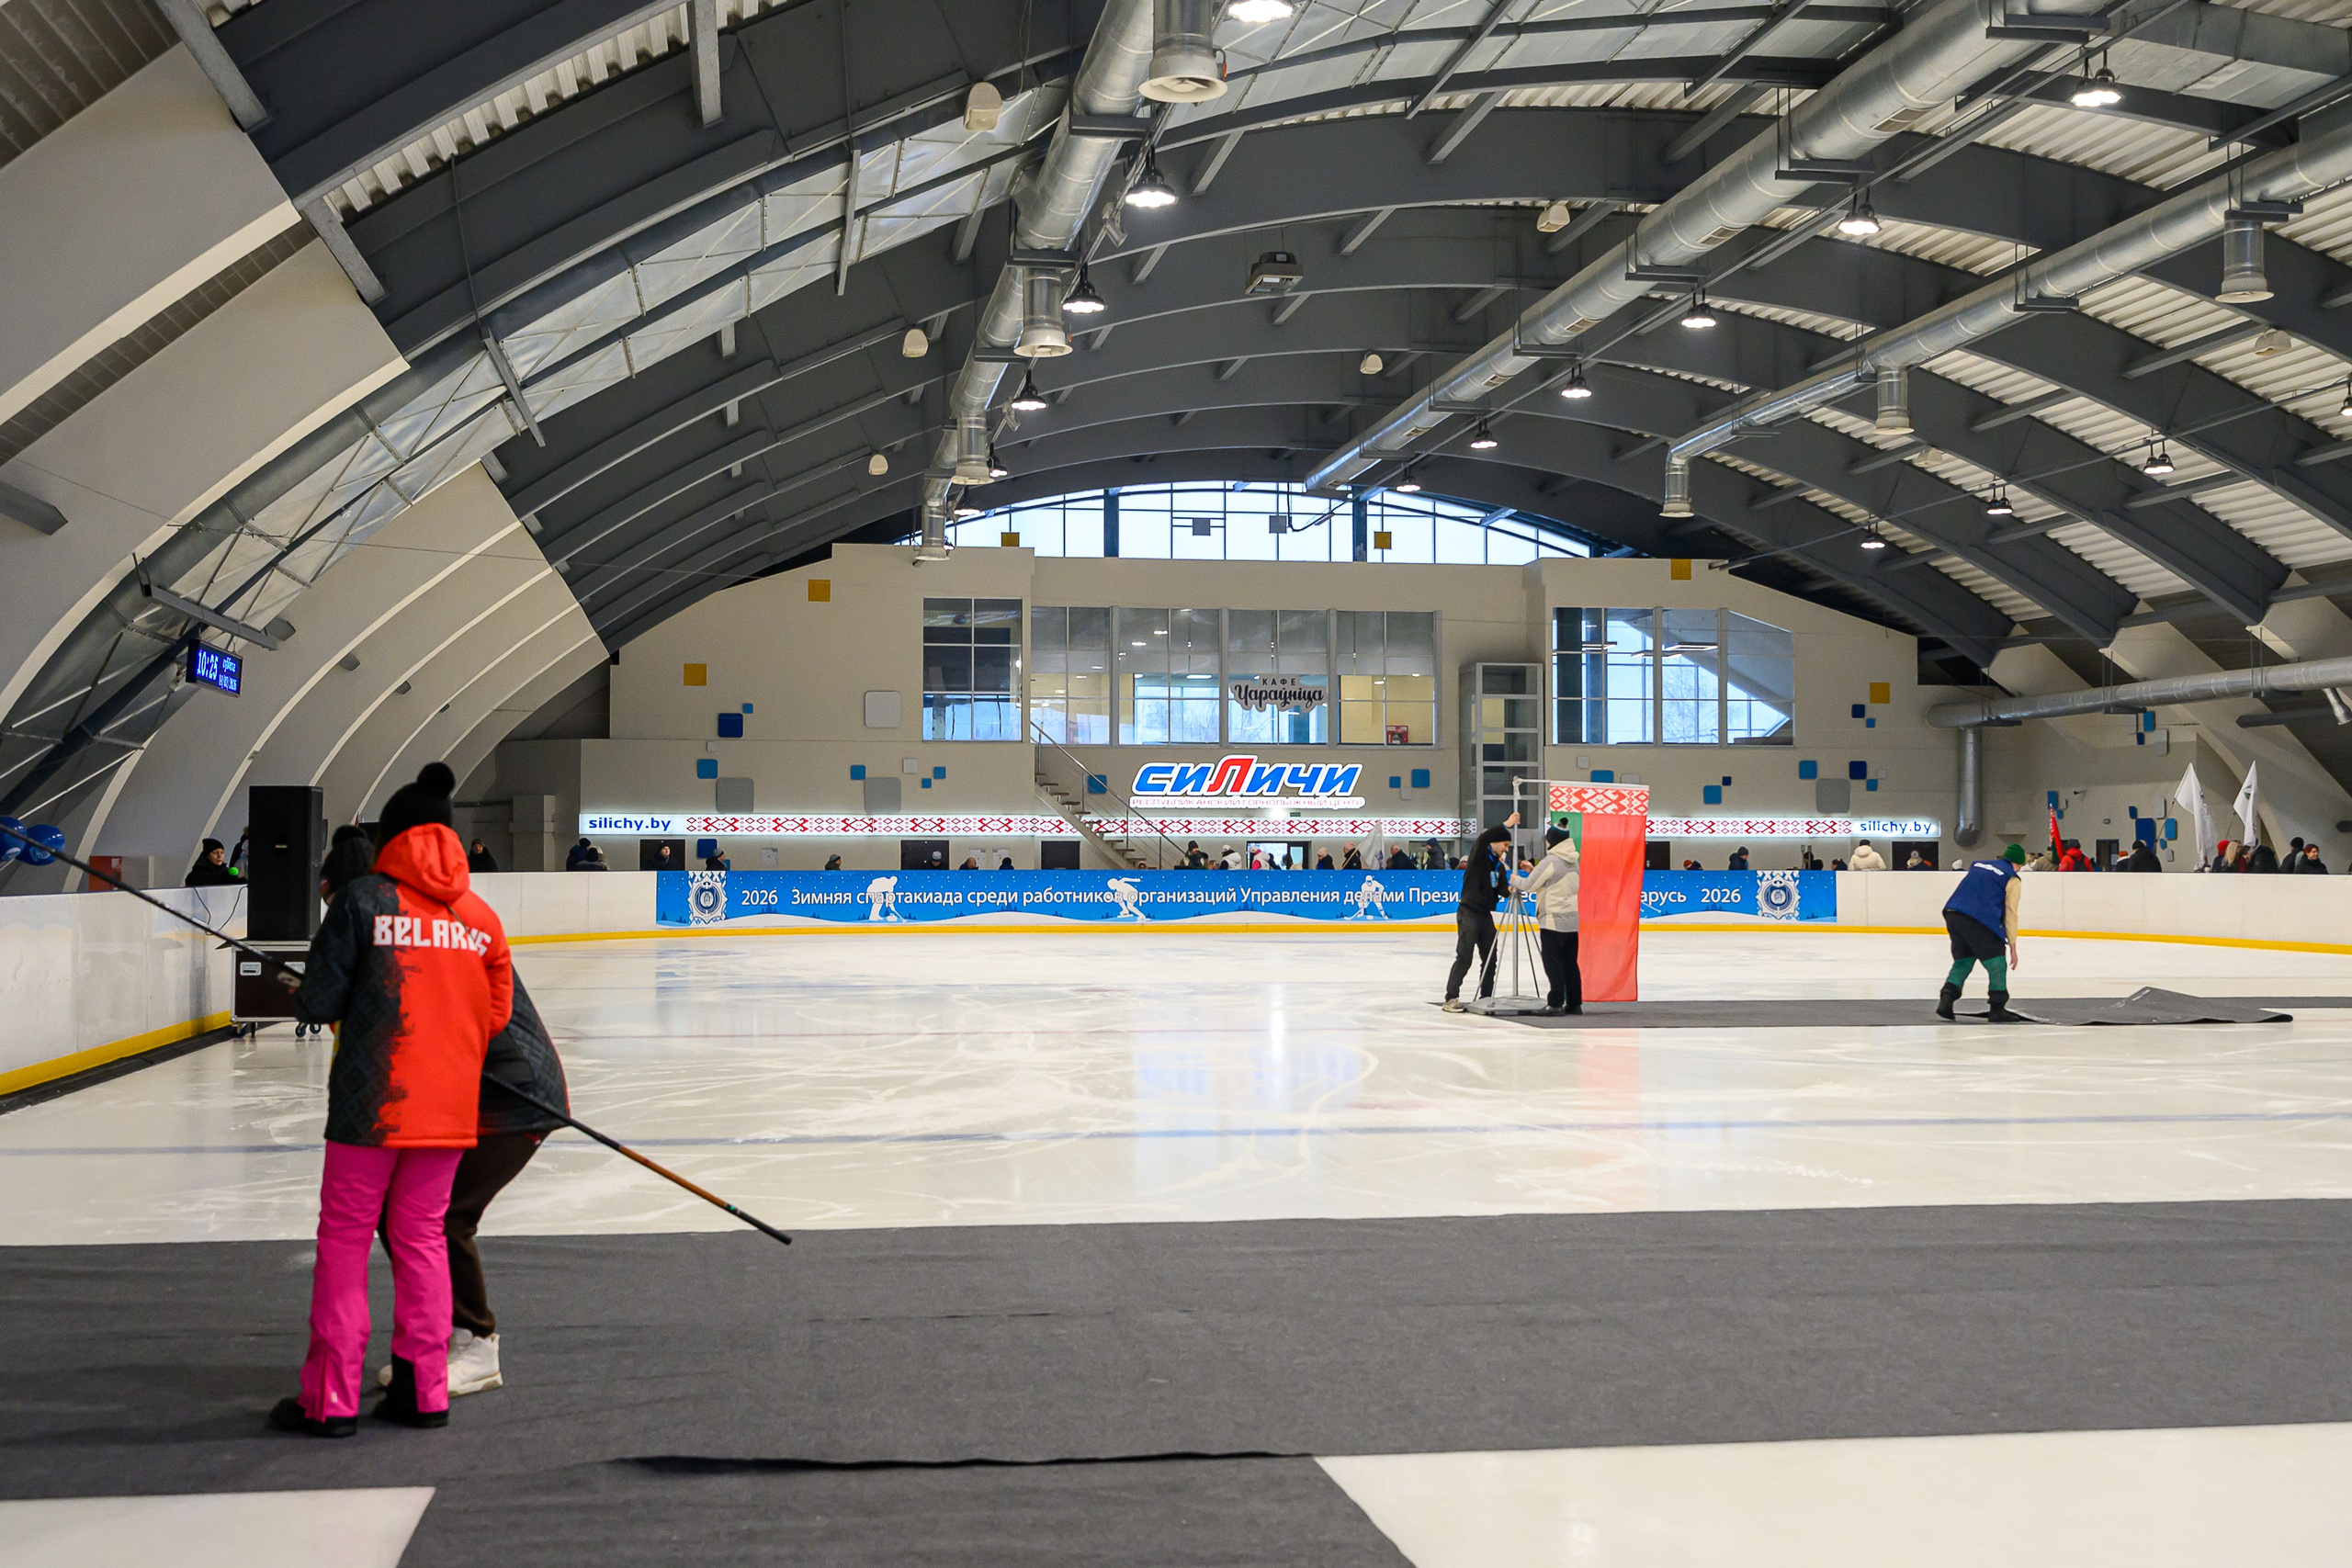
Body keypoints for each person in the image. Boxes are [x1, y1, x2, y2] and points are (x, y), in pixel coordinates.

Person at [271, 762, 513, 1438]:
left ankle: (331, 1398)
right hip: (447, 1112)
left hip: (370, 1108)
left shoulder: (362, 901)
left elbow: (319, 1002)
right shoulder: (480, 919)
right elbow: (493, 1017)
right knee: (423, 1239)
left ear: (394, 835)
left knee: (346, 1242)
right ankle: (422, 1390)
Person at [1937, 843, 2026, 1023]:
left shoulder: (1978, 865)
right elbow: (2011, 913)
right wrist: (2013, 947)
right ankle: (1997, 1008)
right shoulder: (2012, 878)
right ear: (2018, 864)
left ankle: (1946, 1001)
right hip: (1979, 919)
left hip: (1953, 914)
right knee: (1997, 963)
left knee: (1964, 960)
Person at [1442, 813, 1519, 1012]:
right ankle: (1451, 997)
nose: (1506, 850)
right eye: (1505, 845)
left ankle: (1486, 995)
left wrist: (1510, 889)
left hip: (1485, 915)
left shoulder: (1499, 867)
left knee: (1491, 957)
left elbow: (1500, 889)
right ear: (1494, 843)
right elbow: (1483, 838)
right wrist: (1507, 823)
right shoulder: (1479, 856)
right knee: (1465, 956)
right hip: (1469, 913)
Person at [1512, 825, 1581, 1015]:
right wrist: (1534, 869)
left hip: (1552, 920)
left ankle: (1556, 1003)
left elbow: (1529, 885)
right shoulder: (1574, 861)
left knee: (1553, 964)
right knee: (1570, 963)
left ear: (1553, 841)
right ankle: (1575, 1003)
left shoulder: (1550, 861)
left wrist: (1514, 879)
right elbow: (1554, 880)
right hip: (1572, 920)